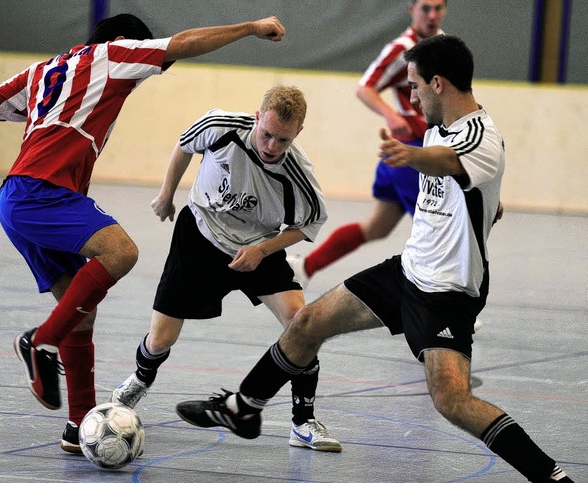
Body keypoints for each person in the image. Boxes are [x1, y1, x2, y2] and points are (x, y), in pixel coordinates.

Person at [174, 35, 573, 482]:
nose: (412, 95)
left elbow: (448, 161)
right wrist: (483, 203)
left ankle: (552, 477)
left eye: (415, 86)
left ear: (438, 84)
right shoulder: (438, 126)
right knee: (306, 323)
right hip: (406, 272)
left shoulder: (478, 136)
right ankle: (243, 409)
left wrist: (412, 156)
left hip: (446, 292)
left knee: (452, 401)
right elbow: (466, 185)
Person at [0, 13, 286, 454]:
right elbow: (182, 43)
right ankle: (40, 342)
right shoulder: (111, 54)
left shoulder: (42, 71)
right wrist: (250, 28)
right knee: (121, 252)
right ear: (125, 41)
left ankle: (77, 426)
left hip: (15, 199)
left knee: (80, 312)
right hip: (43, 192)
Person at [110, 85, 342, 452]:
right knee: (161, 339)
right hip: (198, 239)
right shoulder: (220, 127)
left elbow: (308, 226)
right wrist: (167, 194)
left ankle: (303, 422)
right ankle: (140, 379)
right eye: (266, 134)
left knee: (304, 326)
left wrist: (262, 250)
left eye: (283, 140)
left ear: (298, 133)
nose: (271, 147)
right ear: (256, 117)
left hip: (257, 249)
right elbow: (184, 146)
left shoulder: (299, 176)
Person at [287, 0, 447, 288]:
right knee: (438, 228)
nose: (432, 15)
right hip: (409, 154)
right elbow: (365, 87)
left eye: (438, 8)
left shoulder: (445, 47)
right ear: (412, 10)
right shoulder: (403, 49)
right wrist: (392, 115)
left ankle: (305, 266)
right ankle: (444, 304)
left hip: (416, 152)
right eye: (426, 8)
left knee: (377, 227)